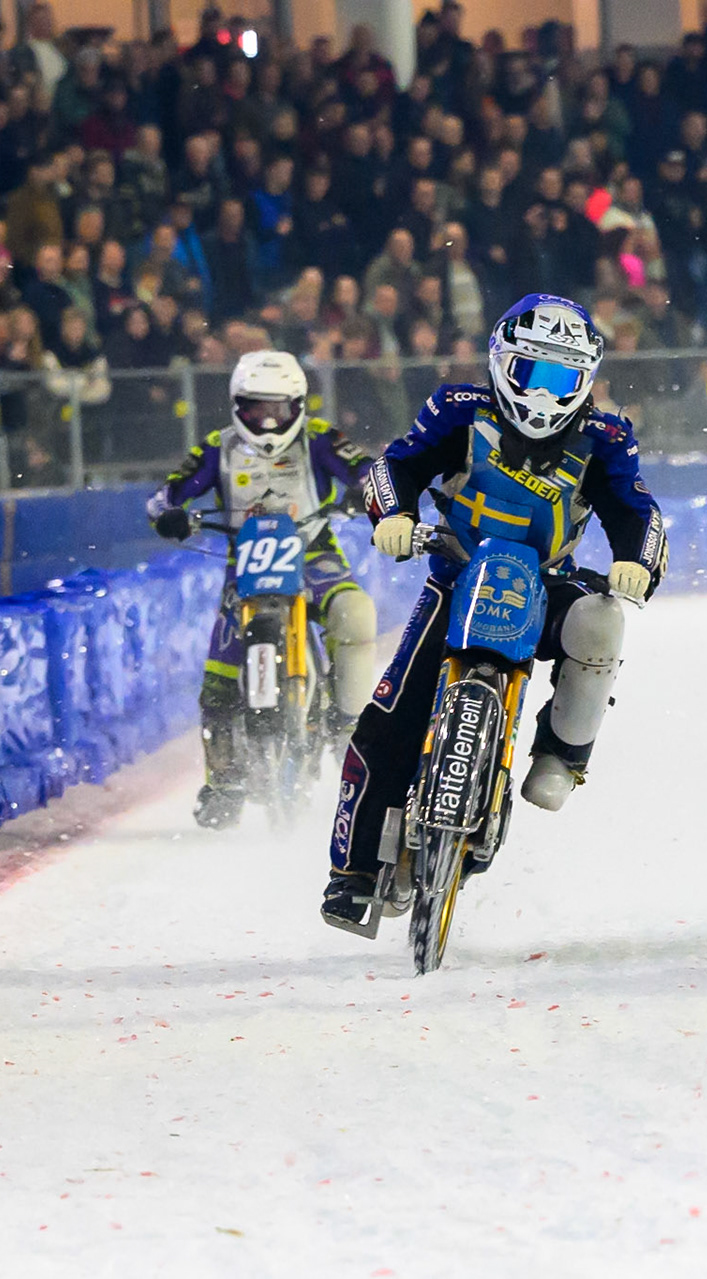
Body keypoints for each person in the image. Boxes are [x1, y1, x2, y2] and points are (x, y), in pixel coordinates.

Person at [322, 294, 669, 930]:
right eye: (533, 373)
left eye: (562, 378)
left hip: (549, 582)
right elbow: (394, 464)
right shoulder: (457, 410)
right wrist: (394, 516)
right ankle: (351, 874)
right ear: (502, 364)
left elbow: (638, 513)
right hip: (454, 579)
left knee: (602, 620)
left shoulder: (606, 437)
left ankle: (563, 758)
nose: (545, 394)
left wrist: (638, 563)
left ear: (586, 380)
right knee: (385, 721)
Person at [145, 350, 379, 830]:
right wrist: (170, 513)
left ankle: (350, 724)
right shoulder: (217, 446)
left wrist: (365, 491)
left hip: (314, 551)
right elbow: (170, 491)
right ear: (237, 405)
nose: (269, 421)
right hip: (246, 560)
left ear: (299, 405)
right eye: (257, 409)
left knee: (355, 615)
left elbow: (368, 470)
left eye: (279, 409)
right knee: (217, 676)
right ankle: (224, 781)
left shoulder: (319, 438)